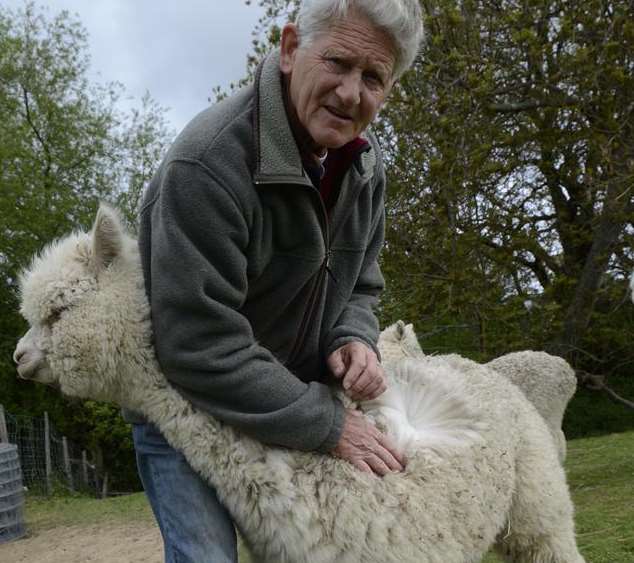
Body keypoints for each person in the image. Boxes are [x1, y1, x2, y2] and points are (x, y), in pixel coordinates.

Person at [128, 1, 424, 561]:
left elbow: (360, 280)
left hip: (288, 397)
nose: (350, 93)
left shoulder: (363, 167)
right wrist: (328, 424)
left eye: (374, 78)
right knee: (206, 556)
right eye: (337, 61)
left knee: (325, 549)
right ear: (291, 49)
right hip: (187, 404)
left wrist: (354, 338)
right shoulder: (207, 165)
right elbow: (197, 344)